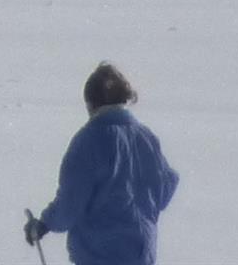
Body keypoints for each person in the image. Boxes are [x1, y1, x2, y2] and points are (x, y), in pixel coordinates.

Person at [25, 62, 178, 263]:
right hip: (141, 253)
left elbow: (71, 200)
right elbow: (166, 186)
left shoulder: (89, 140)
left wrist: (45, 224)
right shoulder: (146, 138)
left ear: (91, 103)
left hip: (100, 254)